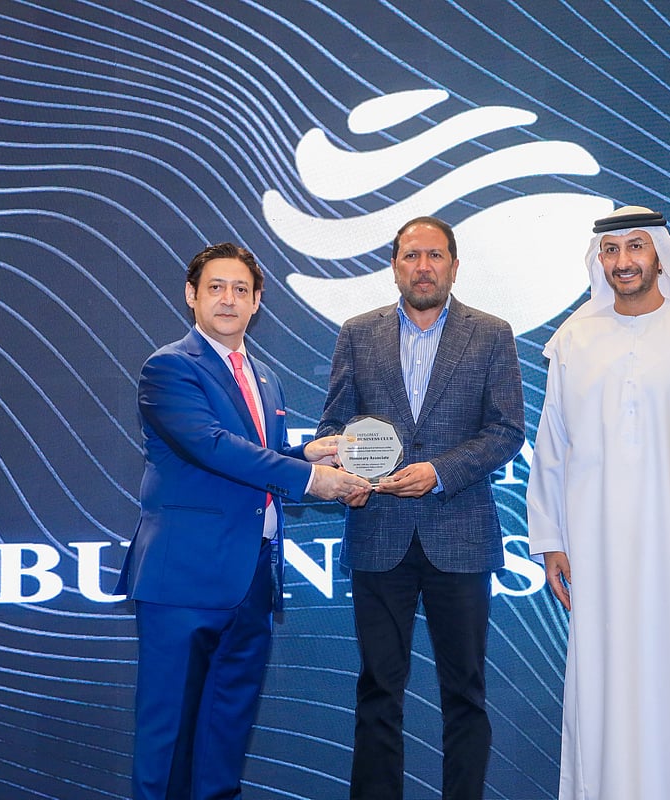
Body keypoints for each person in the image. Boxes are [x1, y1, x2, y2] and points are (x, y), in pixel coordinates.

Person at [116, 242, 371, 800]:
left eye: (240, 290)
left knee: (224, 740)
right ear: (191, 295)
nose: (228, 299)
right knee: (167, 742)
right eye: (215, 288)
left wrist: (306, 455)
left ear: (257, 302)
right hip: (182, 579)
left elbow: (258, 456)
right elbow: (211, 446)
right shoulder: (169, 367)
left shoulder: (265, 377)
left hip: (251, 579)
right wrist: (309, 479)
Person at [526, 205, 670, 800]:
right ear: (599, 260)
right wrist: (550, 538)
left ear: (659, 256)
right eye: (611, 250)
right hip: (595, 546)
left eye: (635, 247)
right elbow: (552, 447)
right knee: (603, 680)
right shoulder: (573, 340)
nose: (623, 261)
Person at [317, 216, 525, 800]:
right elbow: (334, 427)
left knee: (465, 694)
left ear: (454, 266)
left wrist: (439, 473)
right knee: (378, 691)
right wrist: (346, 469)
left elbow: (506, 431)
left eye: (435, 256)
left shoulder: (491, 334)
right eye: (411, 256)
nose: (423, 267)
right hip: (378, 535)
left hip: (460, 535)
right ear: (394, 266)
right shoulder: (358, 334)